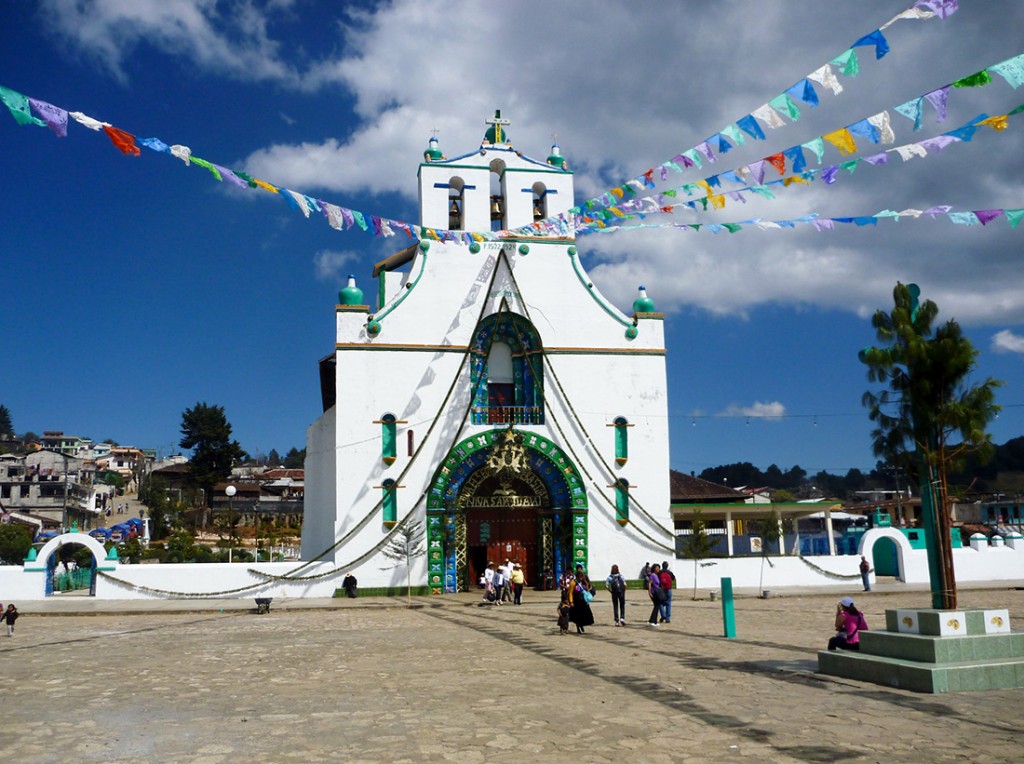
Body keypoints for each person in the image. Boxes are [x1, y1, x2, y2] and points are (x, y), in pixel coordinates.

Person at [566, 565, 595, 633]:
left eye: (582, 577)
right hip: (576, 601)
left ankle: (581, 625)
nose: (581, 578)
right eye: (580, 577)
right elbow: (570, 593)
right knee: (577, 616)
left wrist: (586, 584)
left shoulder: (584, 582)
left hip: (583, 601)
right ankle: (578, 627)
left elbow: (587, 590)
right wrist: (571, 602)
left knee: (584, 614)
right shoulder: (573, 583)